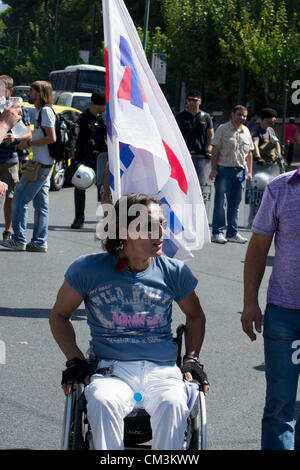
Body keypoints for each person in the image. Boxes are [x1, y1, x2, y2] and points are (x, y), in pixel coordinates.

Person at [50, 193, 209, 450]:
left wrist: (191, 357)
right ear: (124, 231)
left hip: (163, 371)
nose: (160, 232)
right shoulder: (88, 269)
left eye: (162, 224)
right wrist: (75, 358)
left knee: (174, 403)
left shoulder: (174, 272)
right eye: (148, 226)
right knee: (101, 401)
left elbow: (195, 315)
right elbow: (59, 316)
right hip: (113, 370)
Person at [241, 167, 300, 450]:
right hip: (284, 314)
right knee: (279, 407)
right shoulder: (280, 187)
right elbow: (258, 247)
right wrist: (250, 302)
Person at [0, 81, 56, 253]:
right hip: (42, 162)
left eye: (32, 91)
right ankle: (39, 242)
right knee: (41, 205)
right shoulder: (41, 111)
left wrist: (29, 142)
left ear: (40, 93)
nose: (28, 94)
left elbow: (51, 137)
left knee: (19, 199)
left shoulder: (45, 111)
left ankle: (19, 239)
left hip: (41, 164)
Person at [209, 105, 253, 244]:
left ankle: (232, 233)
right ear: (233, 114)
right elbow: (215, 149)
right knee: (221, 203)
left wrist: (250, 171)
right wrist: (214, 168)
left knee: (235, 204)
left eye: (244, 116)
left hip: (240, 172)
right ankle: (217, 232)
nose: (242, 118)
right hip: (224, 170)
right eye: (239, 114)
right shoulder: (223, 129)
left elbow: (249, 153)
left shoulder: (246, 131)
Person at [0, 75, 32, 241]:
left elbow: (28, 133)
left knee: (10, 196)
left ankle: (8, 229)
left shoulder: (18, 109)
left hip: (9, 158)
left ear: (10, 91)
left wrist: (15, 138)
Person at [70, 89, 107, 229]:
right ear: (96, 104)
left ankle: (107, 218)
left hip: (101, 157)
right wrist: (72, 153)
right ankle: (79, 218)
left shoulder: (103, 118)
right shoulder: (82, 119)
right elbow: (74, 137)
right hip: (84, 156)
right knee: (80, 186)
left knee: (104, 190)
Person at [175, 90, 214, 188]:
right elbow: (175, 136)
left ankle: (198, 204)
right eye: (189, 100)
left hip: (200, 156)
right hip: (184, 156)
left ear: (200, 102)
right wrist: (183, 151)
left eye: (194, 100)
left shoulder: (206, 117)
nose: (192, 102)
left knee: (199, 184)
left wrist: (209, 150)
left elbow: (210, 135)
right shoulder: (180, 117)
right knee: (183, 184)